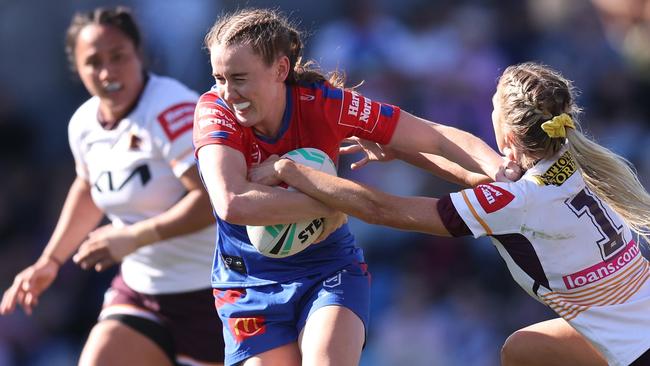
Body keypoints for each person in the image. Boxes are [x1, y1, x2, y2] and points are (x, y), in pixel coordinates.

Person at [250, 61, 650, 366]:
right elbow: (481, 180)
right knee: (523, 350)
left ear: (508, 134)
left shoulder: (518, 201)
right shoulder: (567, 159)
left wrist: (293, 172)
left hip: (638, 349)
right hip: (640, 323)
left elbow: (382, 209)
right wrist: (401, 148)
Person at [193, 8, 518, 366]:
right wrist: (336, 201)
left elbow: (434, 137)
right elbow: (232, 202)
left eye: (238, 78)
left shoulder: (325, 104)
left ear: (280, 70)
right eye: (218, 78)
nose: (227, 92)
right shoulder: (214, 110)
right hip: (249, 282)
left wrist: (499, 169)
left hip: (327, 269)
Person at [0, 7, 224, 366]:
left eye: (118, 57)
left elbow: (214, 199)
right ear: (77, 68)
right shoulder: (84, 123)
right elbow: (88, 187)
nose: (107, 72)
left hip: (210, 295)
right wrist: (50, 261)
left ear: (140, 55)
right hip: (139, 290)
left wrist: (135, 237)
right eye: (93, 61)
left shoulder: (172, 110)